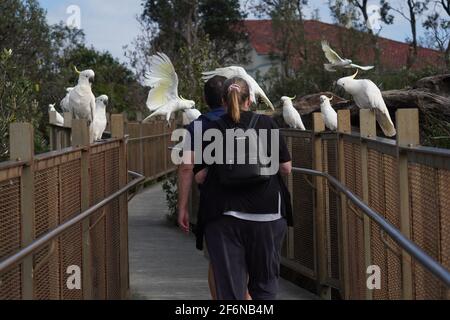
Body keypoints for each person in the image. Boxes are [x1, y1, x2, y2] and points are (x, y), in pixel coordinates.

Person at [194, 77, 293, 300]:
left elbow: (200, 176)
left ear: (223, 101)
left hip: (224, 216)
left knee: (231, 292)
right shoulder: (267, 124)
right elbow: (286, 168)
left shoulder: (213, 129)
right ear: (249, 100)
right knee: (265, 285)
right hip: (268, 215)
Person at [177, 75, 228, 300]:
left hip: (214, 205)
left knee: (216, 261)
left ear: (205, 101)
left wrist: (183, 207)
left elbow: (187, 168)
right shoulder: (246, 121)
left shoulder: (196, 127)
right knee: (242, 263)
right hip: (251, 204)